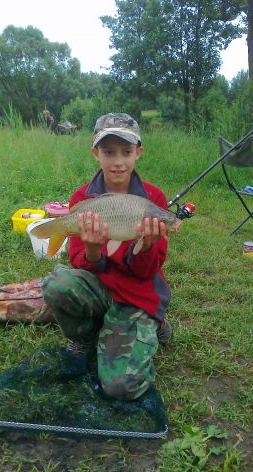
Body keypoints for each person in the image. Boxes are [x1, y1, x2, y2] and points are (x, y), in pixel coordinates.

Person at [42, 112, 173, 401]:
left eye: (126, 152)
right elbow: (79, 263)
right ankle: (85, 334)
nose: (117, 161)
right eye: (109, 151)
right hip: (99, 287)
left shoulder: (153, 200)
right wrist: (92, 249)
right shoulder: (82, 199)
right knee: (57, 283)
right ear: (95, 152)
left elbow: (147, 271)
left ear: (138, 153)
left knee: (120, 387)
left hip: (135, 294)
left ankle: (154, 322)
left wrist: (147, 245)